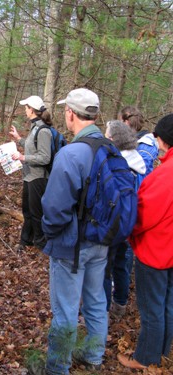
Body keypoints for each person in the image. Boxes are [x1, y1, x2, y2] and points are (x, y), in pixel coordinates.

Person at [41, 88, 108, 374]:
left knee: (66, 310)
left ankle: (57, 367)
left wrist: (49, 232)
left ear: (70, 113)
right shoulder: (111, 148)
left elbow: (54, 208)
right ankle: (94, 356)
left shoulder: (71, 154)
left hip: (72, 245)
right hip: (102, 241)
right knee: (95, 300)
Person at [118, 113, 173, 369]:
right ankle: (162, 351)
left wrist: (128, 232)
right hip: (168, 251)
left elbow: (143, 215)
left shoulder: (165, 175)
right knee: (167, 305)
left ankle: (146, 359)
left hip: (156, 252)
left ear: (163, 139)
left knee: (152, 309)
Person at [103, 120, 146, 316]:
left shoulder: (120, 163)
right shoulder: (138, 161)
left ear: (114, 139)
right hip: (131, 222)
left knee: (106, 267)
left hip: (116, 222)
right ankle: (120, 303)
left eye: (107, 134)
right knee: (122, 265)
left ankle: (102, 311)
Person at [9, 96, 52, 251]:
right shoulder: (35, 128)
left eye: (26, 108)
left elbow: (45, 157)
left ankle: (41, 244)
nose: (24, 110)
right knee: (27, 210)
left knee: (36, 212)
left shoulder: (43, 130)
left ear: (32, 110)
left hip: (38, 178)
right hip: (29, 176)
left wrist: (23, 157)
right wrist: (19, 138)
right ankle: (26, 240)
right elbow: (32, 146)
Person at [119, 105, 158, 177]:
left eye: (120, 122)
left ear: (126, 122)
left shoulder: (144, 146)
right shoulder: (126, 142)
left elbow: (141, 176)